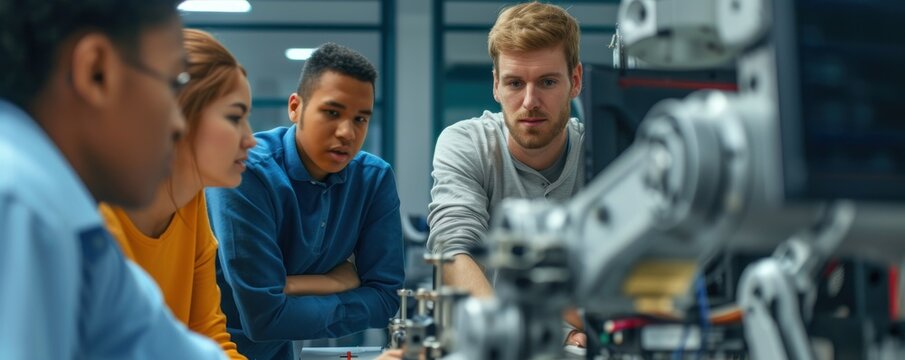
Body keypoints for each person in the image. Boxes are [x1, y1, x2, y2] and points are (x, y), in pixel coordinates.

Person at [0, 1, 227, 359]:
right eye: (172, 84)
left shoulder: (72, 222)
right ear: (96, 72)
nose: (178, 123)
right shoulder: (21, 202)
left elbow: (160, 345)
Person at [206, 42, 404, 360]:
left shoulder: (373, 179)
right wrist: (332, 282)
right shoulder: (245, 170)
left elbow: (385, 299)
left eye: (360, 119)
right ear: (295, 107)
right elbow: (264, 318)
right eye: (332, 112)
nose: (346, 133)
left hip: (283, 351)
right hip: (211, 349)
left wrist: (289, 287)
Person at [426, 1, 587, 346]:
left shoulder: (603, 150)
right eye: (515, 83)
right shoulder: (466, 144)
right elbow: (454, 251)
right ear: (496, 85)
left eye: (547, 81)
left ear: (575, 81)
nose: (530, 101)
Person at [98, 29, 255, 360]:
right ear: (178, 114)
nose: (250, 138)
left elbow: (210, 337)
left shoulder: (190, 199)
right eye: (234, 117)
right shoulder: (97, 213)